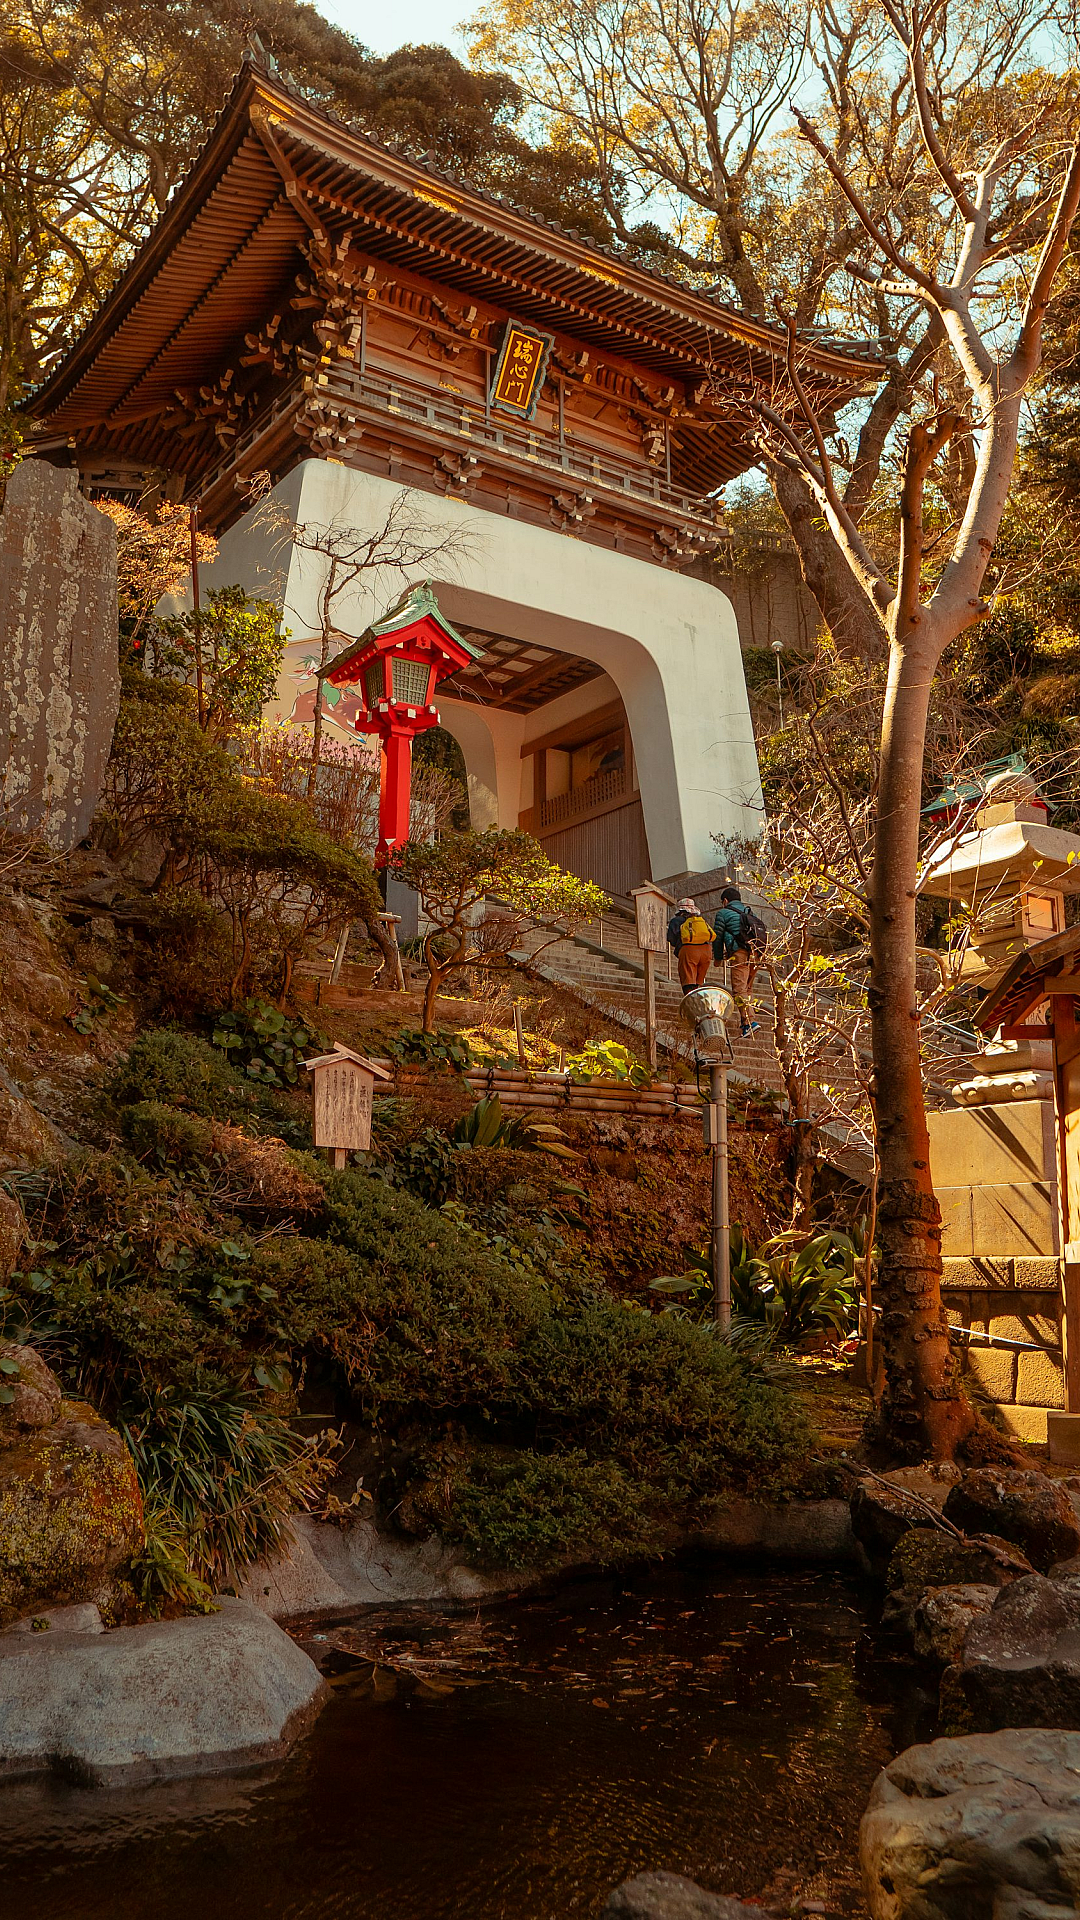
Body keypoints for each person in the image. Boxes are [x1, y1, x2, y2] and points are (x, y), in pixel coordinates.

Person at [713, 885, 762, 1037]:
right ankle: (746, 1022)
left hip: (739, 953)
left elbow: (717, 936)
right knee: (747, 988)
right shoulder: (749, 912)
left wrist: (718, 958)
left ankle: (750, 1022)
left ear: (725, 900)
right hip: (756, 954)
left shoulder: (723, 913)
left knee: (739, 989)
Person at [666, 895, 715, 992]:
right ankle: (698, 998)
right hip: (706, 951)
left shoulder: (676, 920)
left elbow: (671, 939)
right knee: (698, 983)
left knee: (688, 983)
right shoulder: (699, 920)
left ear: (680, 910)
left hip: (689, 951)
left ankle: (691, 1000)